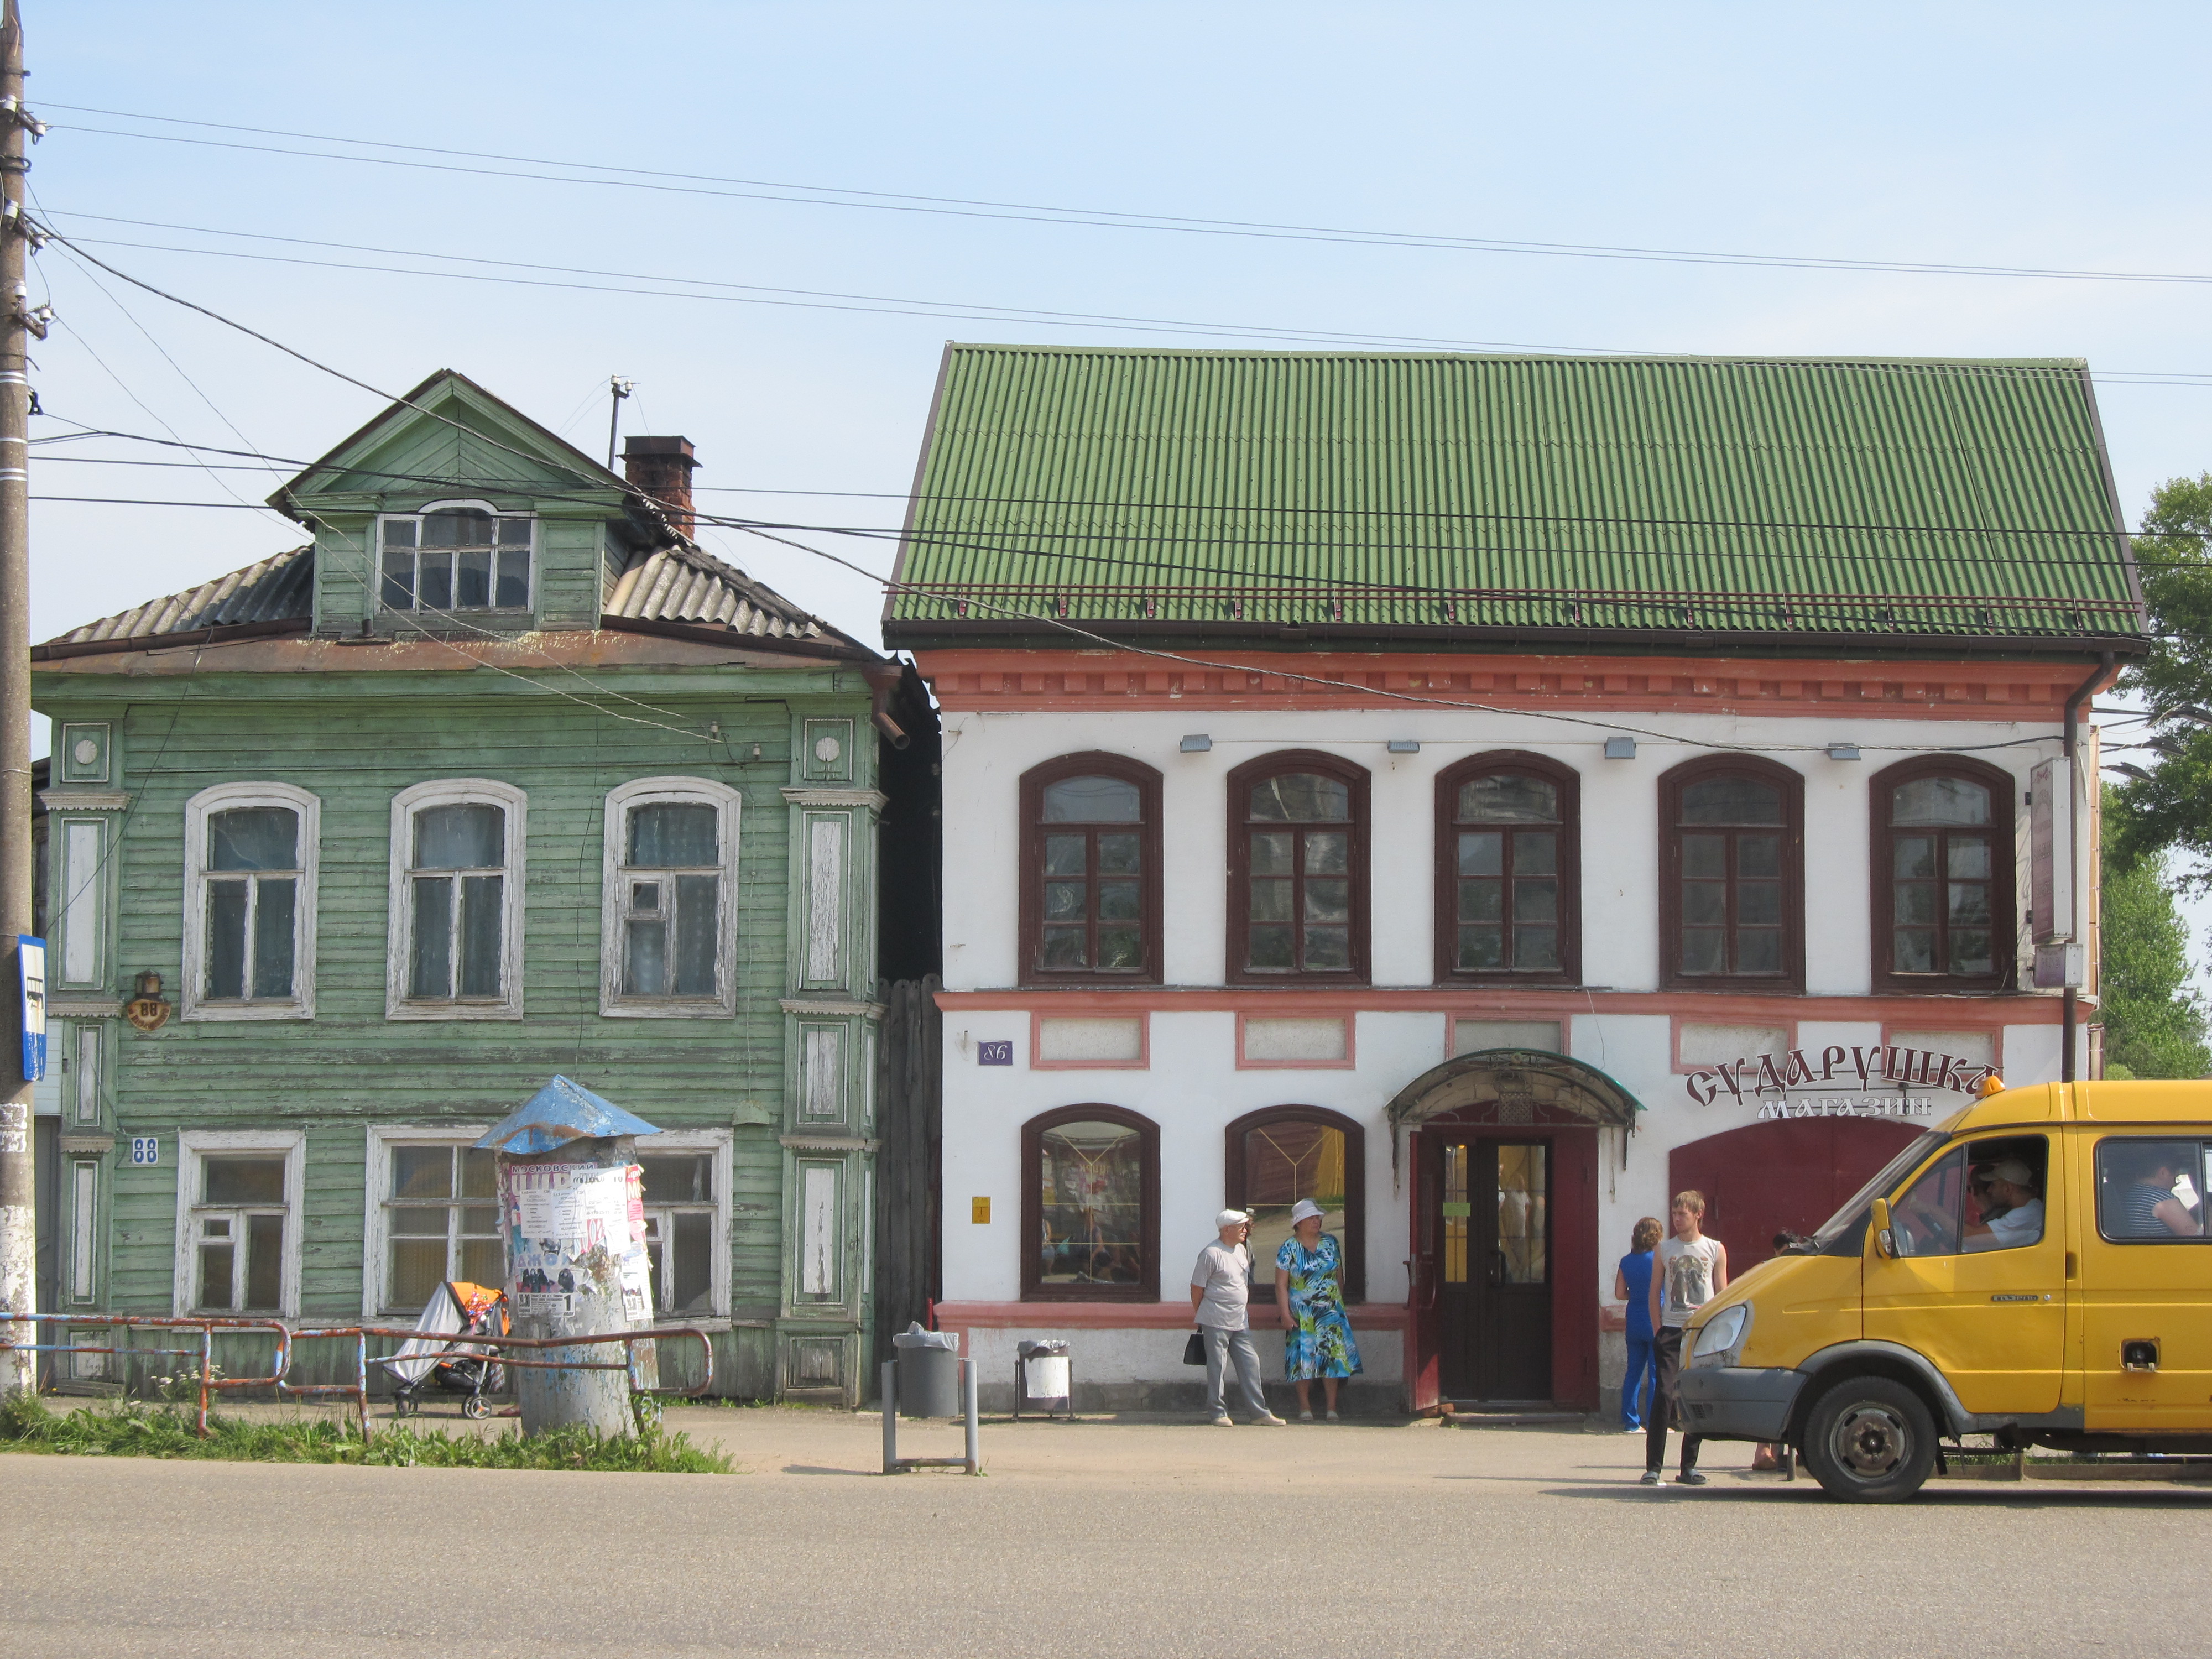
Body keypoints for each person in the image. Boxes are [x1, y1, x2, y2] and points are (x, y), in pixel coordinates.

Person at [1641, 1190, 1727, 1487]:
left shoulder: (1714, 1249)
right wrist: (1658, 1329)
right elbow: (1655, 1291)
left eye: (1683, 1214)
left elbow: (1723, 1294)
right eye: (1675, 1214)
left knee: (1694, 1397)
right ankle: (1653, 1467)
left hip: (1700, 1333)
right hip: (1670, 1330)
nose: (1677, 1219)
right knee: (1664, 1394)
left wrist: (1715, 1331)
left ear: (1697, 1215)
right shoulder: (1665, 1250)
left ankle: (1688, 1466)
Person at [1190, 1209, 1287, 1427]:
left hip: (1240, 1320)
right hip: (1216, 1319)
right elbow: (1197, 1288)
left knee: (1251, 1363)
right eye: (1241, 1227)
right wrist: (1202, 1314)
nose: (1245, 1230)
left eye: (1245, 1226)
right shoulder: (1211, 1253)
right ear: (1227, 1230)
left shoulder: (1241, 1251)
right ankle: (1217, 1412)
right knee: (1217, 1367)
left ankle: (1259, 1413)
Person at [1274, 1197, 1362, 1421]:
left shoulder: (1331, 1243)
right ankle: (1305, 1407)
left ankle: (1332, 1408)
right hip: (1302, 1314)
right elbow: (1281, 1284)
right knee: (1303, 1359)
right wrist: (1285, 1313)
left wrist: (1337, 1304)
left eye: (1318, 1218)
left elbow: (1338, 1276)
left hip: (1330, 1312)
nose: (1317, 1221)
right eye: (1312, 1218)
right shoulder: (1289, 1248)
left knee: (1332, 1358)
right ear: (1299, 1222)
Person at [1613, 1217, 1661, 1434]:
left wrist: (1638, 1293)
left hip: (1634, 1319)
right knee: (1655, 1373)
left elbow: (1620, 1293)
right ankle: (1655, 1422)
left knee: (1633, 1371)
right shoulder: (1659, 1259)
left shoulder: (1626, 1261)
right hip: (1656, 1319)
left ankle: (1631, 1422)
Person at [2117, 1146, 2204, 1239]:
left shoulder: (2131, 1194)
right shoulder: (2162, 1199)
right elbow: (2196, 1239)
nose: (2175, 1183)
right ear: (2163, 1173)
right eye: (2176, 1177)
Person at [1967, 1158, 2046, 1250]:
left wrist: (1945, 1217)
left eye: (1993, 1185)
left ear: (2007, 1189)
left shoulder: (2028, 1214)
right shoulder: (2031, 1209)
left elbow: (1971, 1238)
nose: (1989, 1190)